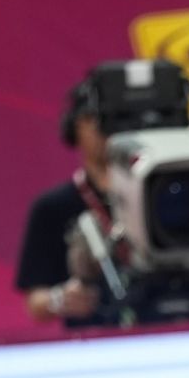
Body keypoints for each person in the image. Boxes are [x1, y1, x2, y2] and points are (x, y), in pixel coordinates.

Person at [13, 76, 115, 327]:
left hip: (181, 333)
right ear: (75, 128)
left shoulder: (169, 194)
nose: (107, 130)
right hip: (97, 338)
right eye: (95, 119)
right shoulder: (54, 207)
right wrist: (60, 299)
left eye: (117, 119)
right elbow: (35, 302)